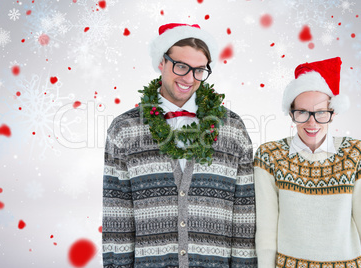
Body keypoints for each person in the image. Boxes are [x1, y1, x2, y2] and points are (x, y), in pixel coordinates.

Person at [102, 23, 257, 268]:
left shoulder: (232, 128)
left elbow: (244, 217)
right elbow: (117, 217)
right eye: (181, 66)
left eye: (199, 70)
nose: (189, 78)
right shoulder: (125, 129)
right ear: (161, 63)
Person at [254, 57, 361, 268]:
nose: (311, 122)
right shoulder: (270, 156)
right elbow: (267, 234)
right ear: (291, 113)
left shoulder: (355, 153)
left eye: (321, 112)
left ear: (332, 114)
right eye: (302, 112)